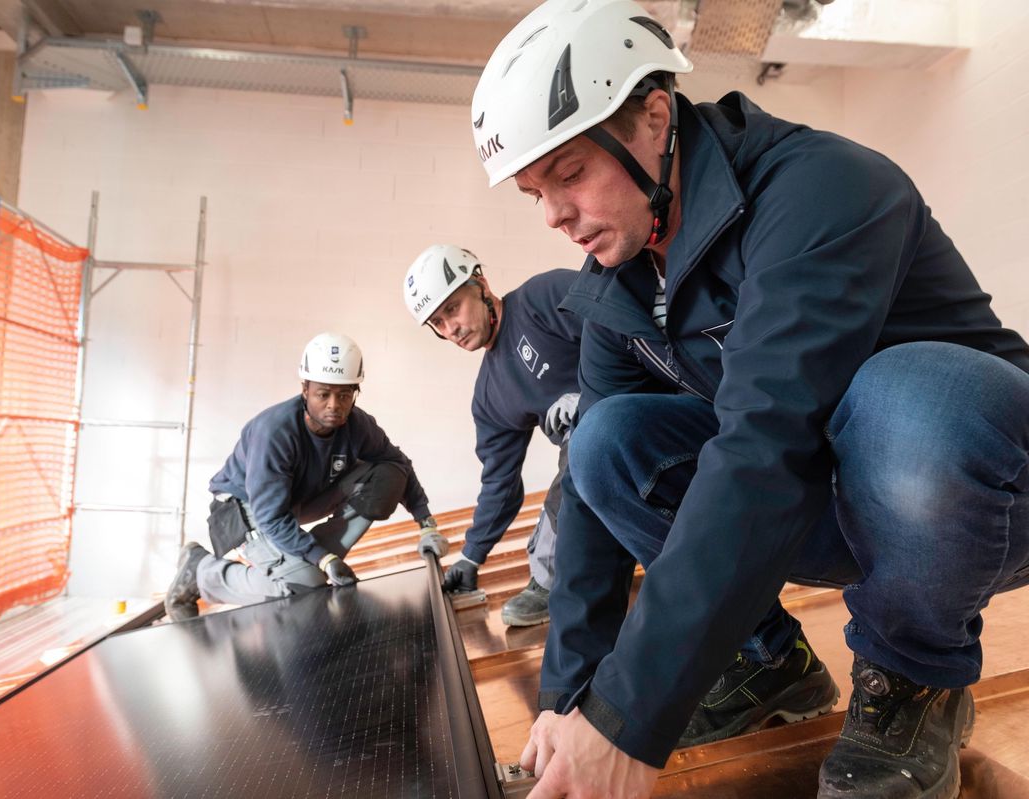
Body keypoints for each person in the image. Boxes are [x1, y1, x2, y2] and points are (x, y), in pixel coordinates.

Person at [470, 1, 1029, 797]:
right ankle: (768, 663)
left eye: (569, 173)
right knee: (603, 442)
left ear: (654, 118)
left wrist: (634, 720)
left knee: (904, 399)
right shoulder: (615, 291)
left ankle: (916, 678)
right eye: (536, 191)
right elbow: (588, 504)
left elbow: (765, 444)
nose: (556, 214)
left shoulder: (820, 188)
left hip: (979, 497)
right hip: (835, 498)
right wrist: (574, 702)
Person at [165, 332, 446, 620]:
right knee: (301, 587)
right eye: (323, 394)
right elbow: (271, 517)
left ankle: (310, 561)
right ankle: (201, 572)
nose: (334, 405)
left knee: (387, 473)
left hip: (296, 500)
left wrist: (426, 524)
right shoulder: (274, 434)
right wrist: (322, 559)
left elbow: (398, 463)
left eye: (344, 395)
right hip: (245, 507)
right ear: (305, 389)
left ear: (354, 394)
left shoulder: (358, 425)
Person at [403, 244, 583, 626]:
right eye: (438, 322)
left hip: (643, 402)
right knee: (573, 471)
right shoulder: (490, 396)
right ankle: (553, 580)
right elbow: (499, 482)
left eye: (453, 308)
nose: (451, 328)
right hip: (590, 457)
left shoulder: (542, 297)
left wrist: (591, 393)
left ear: (481, 285)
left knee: (582, 446)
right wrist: (472, 555)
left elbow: (621, 325)